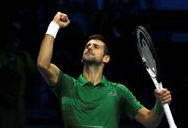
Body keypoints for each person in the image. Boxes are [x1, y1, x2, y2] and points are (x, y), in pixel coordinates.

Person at [37, 12, 172, 128]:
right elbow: (43, 64)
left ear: (106, 58)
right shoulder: (67, 85)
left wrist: (160, 104)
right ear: (82, 58)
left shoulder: (119, 91)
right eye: (87, 46)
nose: (89, 47)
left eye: (96, 47)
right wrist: (54, 26)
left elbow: (150, 122)